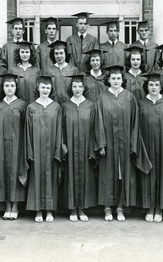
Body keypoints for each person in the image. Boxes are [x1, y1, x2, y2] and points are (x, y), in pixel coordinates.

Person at [94, 65, 152, 222]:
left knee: (122, 175)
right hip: (108, 145)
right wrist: (101, 144)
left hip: (125, 144)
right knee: (107, 175)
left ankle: (120, 207)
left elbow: (135, 122)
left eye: (118, 78)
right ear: (108, 79)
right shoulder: (101, 98)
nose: (116, 81)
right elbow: (98, 122)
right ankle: (107, 207)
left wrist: (133, 144)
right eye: (113, 78)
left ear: (122, 80)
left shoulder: (129, 97)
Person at [25, 75, 65, 223]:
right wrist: (30, 151)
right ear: (37, 88)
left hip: (51, 150)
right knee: (37, 179)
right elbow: (27, 131)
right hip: (36, 149)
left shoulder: (56, 107)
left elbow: (60, 129)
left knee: (51, 180)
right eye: (43, 87)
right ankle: (38, 210)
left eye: (48, 87)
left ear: (51, 89)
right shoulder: (31, 107)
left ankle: (49, 210)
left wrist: (58, 149)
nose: (45, 90)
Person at [137, 73, 163, 223]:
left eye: (156, 85)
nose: (153, 87)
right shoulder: (140, 103)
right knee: (147, 172)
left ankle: (159, 208)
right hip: (145, 144)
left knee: (162, 174)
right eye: (151, 84)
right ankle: (149, 207)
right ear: (146, 86)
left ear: (161, 87)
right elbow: (136, 126)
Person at [60, 74, 97, 222]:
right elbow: (61, 129)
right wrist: (63, 147)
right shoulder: (65, 106)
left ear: (84, 88)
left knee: (84, 177)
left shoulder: (90, 106)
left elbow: (95, 128)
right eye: (74, 86)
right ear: (71, 88)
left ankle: (81, 208)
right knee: (70, 176)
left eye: (80, 86)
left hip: (85, 148)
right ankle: (72, 208)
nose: (77, 89)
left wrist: (92, 148)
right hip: (70, 148)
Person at [0, 73, 27, 220]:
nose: (9, 88)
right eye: (7, 85)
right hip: (2, 146)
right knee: (4, 174)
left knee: (16, 174)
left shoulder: (22, 105)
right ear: (3, 87)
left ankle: (15, 206)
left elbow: (26, 128)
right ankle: (7, 205)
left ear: (16, 87)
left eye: (12, 85)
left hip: (18, 146)